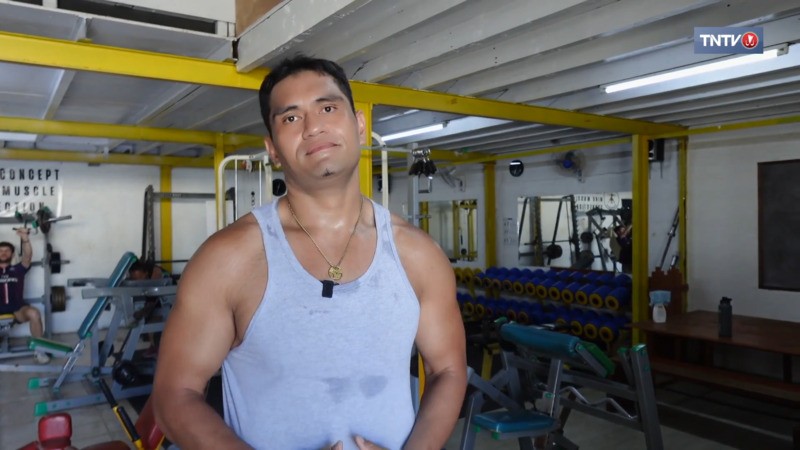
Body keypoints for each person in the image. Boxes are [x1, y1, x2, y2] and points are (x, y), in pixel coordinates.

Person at [153, 55, 467, 450]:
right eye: (291, 117)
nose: (313, 126)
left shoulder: (418, 253)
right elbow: (174, 395)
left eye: (328, 108)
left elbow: (448, 370)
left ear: (360, 126)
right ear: (273, 149)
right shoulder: (228, 259)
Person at [0, 227, 50, 363]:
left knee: (34, 313)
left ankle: (39, 351)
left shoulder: (18, 269)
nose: (3, 253)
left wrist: (25, 238)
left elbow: (27, 256)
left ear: (12, 254)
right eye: (1, 250)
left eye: (7, 250)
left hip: (17, 309)